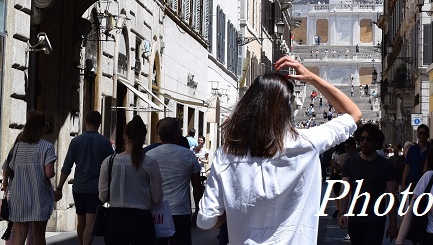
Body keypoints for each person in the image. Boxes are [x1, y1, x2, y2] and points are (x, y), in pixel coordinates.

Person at [197, 55, 362, 243]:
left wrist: (233, 208)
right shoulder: (307, 142)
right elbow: (353, 113)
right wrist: (311, 77)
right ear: (287, 108)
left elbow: (205, 220)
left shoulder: (226, 154)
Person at [98, 115, 163, 245]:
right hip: (141, 222)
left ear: (125, 136)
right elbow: (157, 198)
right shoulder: (150, 163)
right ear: (144, 138)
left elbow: (102, 197)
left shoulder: (109, 162)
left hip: (115, 220)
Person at [56, 111, 113, 245]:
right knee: (91, 221)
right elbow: (111, 165)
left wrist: (59, 187)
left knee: (81, 219)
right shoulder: (105, 142)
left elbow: (66, 167)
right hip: (96, 188)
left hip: (79, 187)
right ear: (99, 124)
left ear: (86, 122)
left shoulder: (76, 141)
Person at [2, 111, 58, 245]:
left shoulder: (18, 147)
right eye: (45, 125)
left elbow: (12, 168)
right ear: (40, 128)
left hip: (19, 196)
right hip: (39, 197)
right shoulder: (47, 147)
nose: (46, 127)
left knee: (20, 234)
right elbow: (49, 173)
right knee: (38, 235)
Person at [338, 123, 399, 244]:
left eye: (368, 139)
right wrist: (341, 213)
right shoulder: (350, 163)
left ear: (376, 142)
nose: (364, 142)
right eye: (362, 139)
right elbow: (344, 190)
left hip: (376, 219)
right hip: (355, 219)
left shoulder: (386, 165)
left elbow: (391, 196)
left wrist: (393, 224)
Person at [146, 117, 202, 245]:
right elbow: (197, 187)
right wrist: (198, 209)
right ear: (177, 133)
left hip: (156, 212)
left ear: (158, 135)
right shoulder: (188, 155)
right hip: (180, 211)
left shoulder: (149, 156)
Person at [402, 124, 431, 189]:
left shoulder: (431, 149)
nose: (422, 135)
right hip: (413, 183)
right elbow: (407, 166)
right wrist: (403, 183)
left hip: (428, 182)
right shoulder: (412, 149)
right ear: (417, 135)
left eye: (424, 133)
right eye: (420, 133)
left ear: (428, 135)